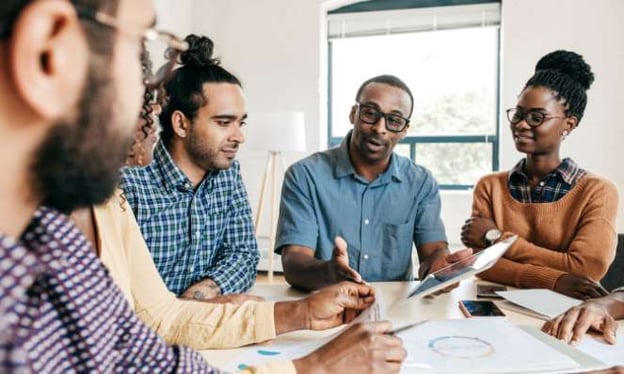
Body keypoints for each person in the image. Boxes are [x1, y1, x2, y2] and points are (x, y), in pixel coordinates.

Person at [0, 1, 406, 372]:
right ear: (48, 53)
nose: (155, 97)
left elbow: (159, 327)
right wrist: (313, 368)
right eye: (139, 51)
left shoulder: (82, 216)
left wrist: (300, 315)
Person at [276, 74, 472, 290]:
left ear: (405, 130)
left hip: (396, 309)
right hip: (324, 304)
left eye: (394, 120)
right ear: (353, 114)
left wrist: (442, 268)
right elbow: (294, 262)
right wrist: (329, 272)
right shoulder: (305, 176)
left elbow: (434, 251)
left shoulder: (420, 183)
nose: (380, 128)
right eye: (370, 113)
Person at [461, 50, 618, 299]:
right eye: (519, 114)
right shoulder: (489, 186)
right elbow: (482, 265)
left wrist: (496, 238)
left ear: (569, 123)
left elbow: (586, 269)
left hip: (567, 315)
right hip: (498, 312)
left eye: (537, 117)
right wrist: (555, 279)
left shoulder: (597, 191)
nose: (522, 124)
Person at [121, 34, 259, 300]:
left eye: (240, 123)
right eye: (223, 122)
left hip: (201, 323)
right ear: (181, 124)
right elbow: (121, 286)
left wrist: (203, 292)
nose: (239, 136)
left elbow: (243, 255)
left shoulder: (228, 173)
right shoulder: (129, 182)